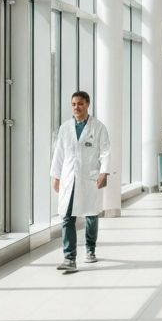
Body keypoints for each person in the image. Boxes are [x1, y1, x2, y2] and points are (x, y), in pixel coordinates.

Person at [51, 91, 111, 272]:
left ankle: (90, 249)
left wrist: (104, 172)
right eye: (73, 104)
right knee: (67, 216)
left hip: (89, 178)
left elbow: (105, 151)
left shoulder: (98, 127)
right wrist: (56, 176)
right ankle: (69, 258)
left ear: (87, 104)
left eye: (80, 104)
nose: (76, 107)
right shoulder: (65, 128)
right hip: (69, 178)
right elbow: (59, 153)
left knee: (91, 215)